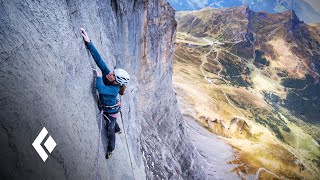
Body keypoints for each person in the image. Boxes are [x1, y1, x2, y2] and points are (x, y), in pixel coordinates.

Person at [81, 28, 130, 159]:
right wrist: (89, 42)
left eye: (113, 75)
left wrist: (97, 77)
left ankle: (110, 149)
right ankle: (118, 128)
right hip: (111, 108)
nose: (109, 73)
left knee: (110, 130)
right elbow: (100, 61)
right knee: (113, 125)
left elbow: (101, 89)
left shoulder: (114, 90)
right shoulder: (110, 77)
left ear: (116, 81)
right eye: (112, 72)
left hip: (111, 112)